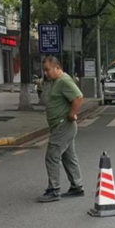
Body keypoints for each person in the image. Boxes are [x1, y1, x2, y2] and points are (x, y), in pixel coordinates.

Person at [37, 56, 85, 203]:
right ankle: (77, 186)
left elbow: (78, 97)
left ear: (57, 67)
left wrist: (72, 114)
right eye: (44, 70)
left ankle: (54, 190)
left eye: (48, 70)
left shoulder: (63, 80)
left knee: (52, 156)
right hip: (61, 126)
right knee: (69, 157)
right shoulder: (56, 82)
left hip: (63, 125)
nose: (46, 73)